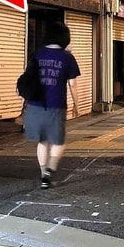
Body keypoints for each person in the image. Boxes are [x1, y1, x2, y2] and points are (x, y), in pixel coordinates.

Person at [22, 21, 80, 189]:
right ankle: (49, 171)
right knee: (58, 142)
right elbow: (73, 84)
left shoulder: (37, 54)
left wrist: (23, 104)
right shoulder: (67, 57)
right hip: (56, 106)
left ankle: (42, 173)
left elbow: (28, 79)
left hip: (36, 104)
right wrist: (76, 104)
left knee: (42, 142)